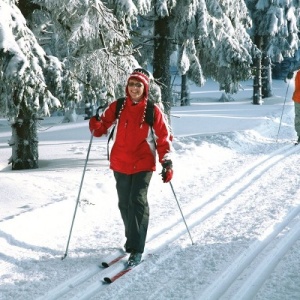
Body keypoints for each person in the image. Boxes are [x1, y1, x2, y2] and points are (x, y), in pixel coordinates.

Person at [89, 68, 173, 266]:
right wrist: (95, 123)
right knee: (124, 203)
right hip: (120, 162)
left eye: (139, 85)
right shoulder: (118, 106)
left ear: (145, 88)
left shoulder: (152, 110)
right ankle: (131, 240)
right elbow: (101, 128)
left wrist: (166, 162)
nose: (134, 88)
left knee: (137, 201)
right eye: (131, 84)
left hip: (143, 162)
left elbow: (163, 138)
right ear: (127, 86)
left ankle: (136, 248)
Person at [291, 70, 300, 143]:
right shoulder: (298, 73)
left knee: (298, 117)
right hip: (298, 98)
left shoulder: (298, 73)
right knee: (298, 117)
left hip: (297, 98)